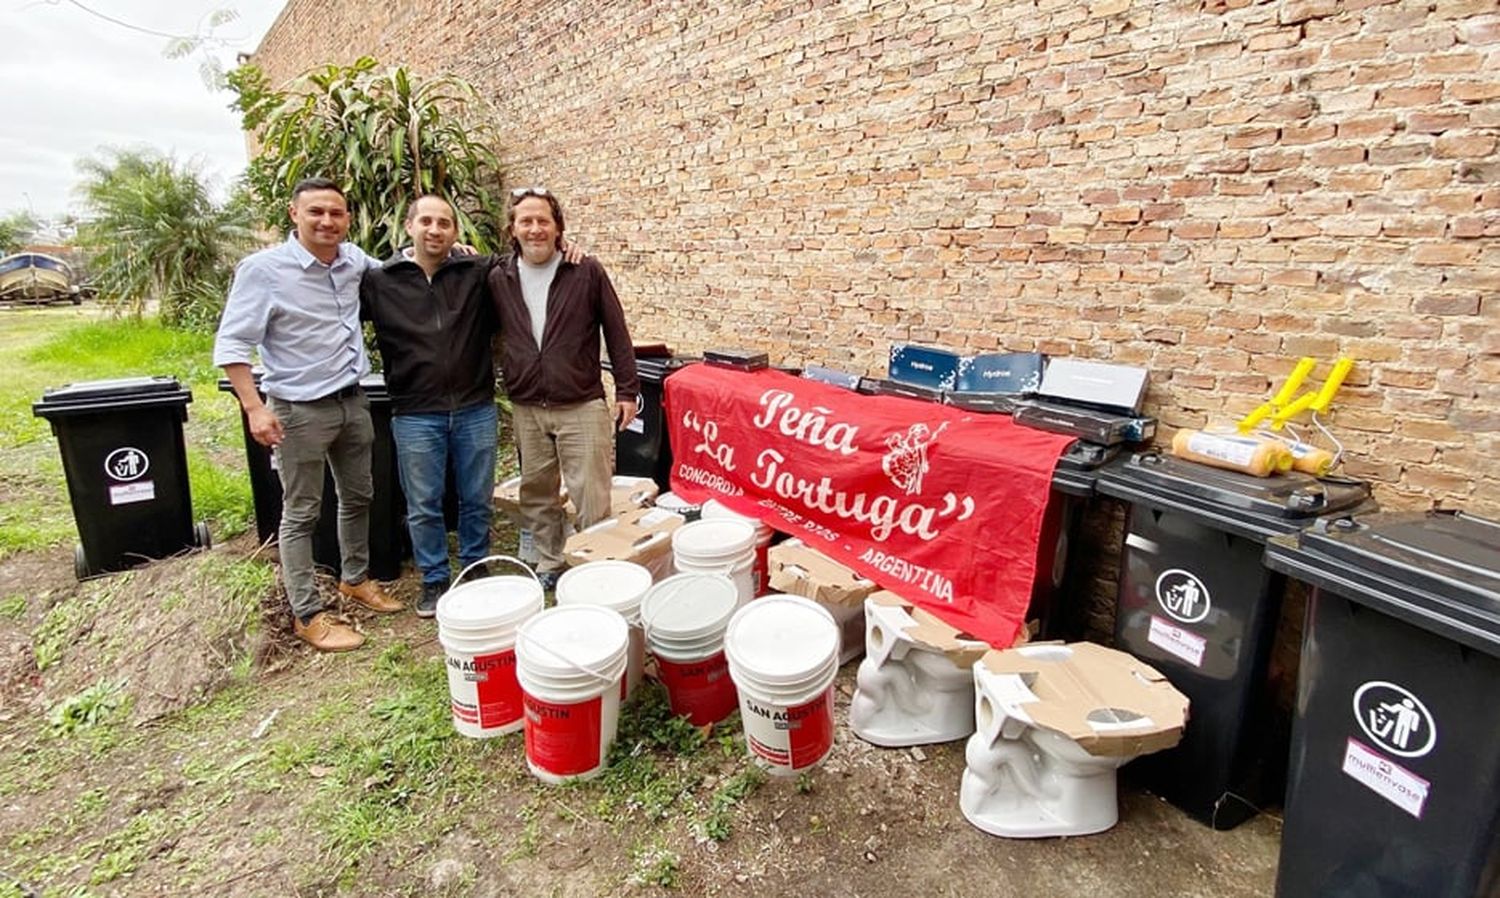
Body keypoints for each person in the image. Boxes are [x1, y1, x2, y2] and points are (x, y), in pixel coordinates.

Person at [214, 177, 401, 653]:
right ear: (294, 214)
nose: (326, 221)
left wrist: (451, 250)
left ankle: (354, 579)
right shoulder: (264, 270)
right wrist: (254, 408)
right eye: (316, 212)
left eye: (336, 213)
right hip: (298, 410)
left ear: (347, 219)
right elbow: (233, 343)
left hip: (352, 401)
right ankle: (306, 613)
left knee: (359, 495)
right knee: (300, 513)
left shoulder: (354, 260)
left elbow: (401, 272)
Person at [488, 187, 639, 589]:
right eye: (526, 221)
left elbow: (616, 330)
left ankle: (593, 566)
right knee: (537, 491)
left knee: (591, 493)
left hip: (581, 402)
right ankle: (551, 562)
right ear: (512, 229)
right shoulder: (497, 277)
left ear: (558, 228)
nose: (535, 229)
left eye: (543, 221)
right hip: (527, 405)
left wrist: (627, 389)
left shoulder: (584, 270)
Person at [358, 195, 499, 617]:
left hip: (475, 405)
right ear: (409, 226)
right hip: (415, 411)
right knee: (423, 503)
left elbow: (527, 260)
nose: (435, 229)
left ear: (456, 233)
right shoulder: (380, 281)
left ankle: (475, 566)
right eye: (427, 221)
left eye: (445, 223)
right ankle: (435, 579)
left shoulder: (475, 273)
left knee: (477, 497)